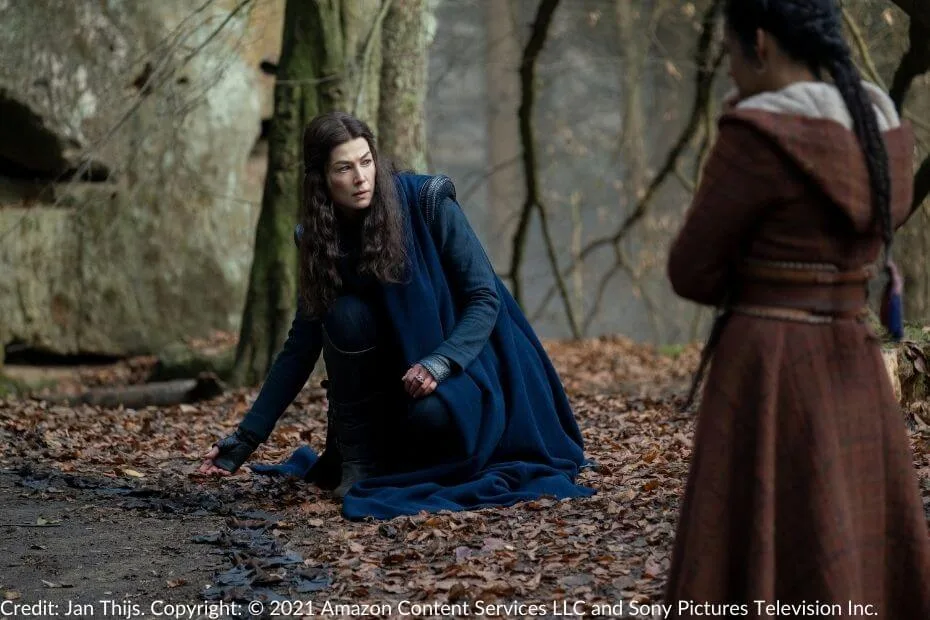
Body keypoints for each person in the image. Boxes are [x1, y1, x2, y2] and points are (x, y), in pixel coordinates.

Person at [664, 0, 930, 616]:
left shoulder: (758, 135)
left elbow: (691, 272)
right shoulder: (883, 132)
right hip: (854, 360)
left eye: (731, 55)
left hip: (767, 365)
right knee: (851, 538)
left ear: (760, 42)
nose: (731, 73)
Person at [198, 111, 594, 520]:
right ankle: (361, 461)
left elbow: (483, 298)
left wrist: (440, 362)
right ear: (321, 179)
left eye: (366, 162)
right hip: (385, 382)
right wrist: (246, 438)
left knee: (434, 417)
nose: (361, 178)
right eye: (344, 168)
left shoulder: (428, 201)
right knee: (343, 313)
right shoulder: (317, 238)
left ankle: (413, 452)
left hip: (467, 361)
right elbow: (302, 344)